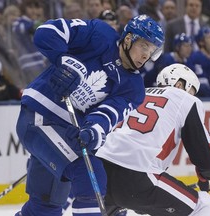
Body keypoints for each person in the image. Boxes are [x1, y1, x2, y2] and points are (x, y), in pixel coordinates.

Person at [15, 14, 164, 216]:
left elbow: (109, 114)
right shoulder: (99, 34)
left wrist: (93, 130)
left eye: (152, 51)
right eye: (144, 46)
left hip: (67, 134)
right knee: (88, 172)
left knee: (45, 206)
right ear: (129, 38)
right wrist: (63, 60)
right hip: (38, 117)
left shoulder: (134, 88)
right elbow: (46, 32)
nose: (147, 55)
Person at [96, 63, 210, 216]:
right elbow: (205, 157)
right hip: (139, 175)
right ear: (179, 84)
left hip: (101, 169)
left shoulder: (139, 93)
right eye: (191, 90)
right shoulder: (185, 99)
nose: (192, 95)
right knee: (204, 206)